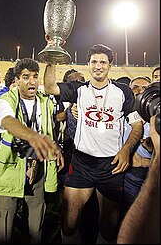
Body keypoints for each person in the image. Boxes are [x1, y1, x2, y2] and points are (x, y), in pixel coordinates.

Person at [44, 43, 143, 244]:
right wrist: (52, 54)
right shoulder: (77, 89)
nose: (98, 66)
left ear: (110, 65)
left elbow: (137, 126)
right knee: (68, 221)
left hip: (111, 165)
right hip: (82, 163)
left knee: (108, 226)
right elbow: (49, 86)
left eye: (103, 62)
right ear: (88, 64)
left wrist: (126, 150)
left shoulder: (123, 92)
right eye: (94, 62)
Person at [0, 58, 64, 244]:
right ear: (17, 79)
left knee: (36, 225)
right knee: (4, 225)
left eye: (35, 77)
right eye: (26, 77)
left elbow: (51, 123)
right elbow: (8, 120)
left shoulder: (45, 100)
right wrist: (34, 137)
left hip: (38, 168)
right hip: (11, 168)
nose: (32, 82)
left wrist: (54, 145)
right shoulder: (6, 99)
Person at [117, 114, 160, 244]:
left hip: (140, 176)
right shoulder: (132, 102)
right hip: (120, 170)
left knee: (137, 220)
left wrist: (144, 161)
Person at [122, 76, 152, 216]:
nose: (140, 91)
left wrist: (148, 157)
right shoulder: (120, 115)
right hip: (128, 176)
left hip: (152, 176)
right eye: (135, 87)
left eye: (145, 88)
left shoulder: (156, 118)